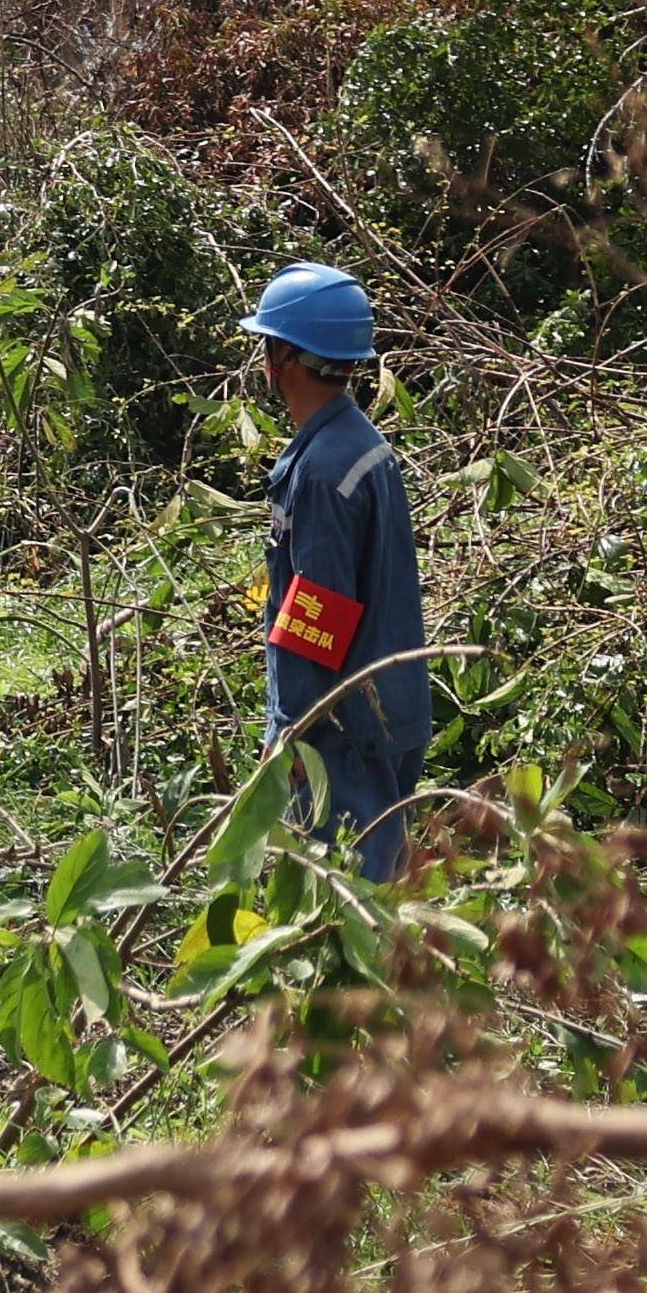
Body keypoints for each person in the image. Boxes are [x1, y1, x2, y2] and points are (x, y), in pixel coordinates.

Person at [244, 262, 427, 879]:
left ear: (285, 358)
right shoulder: (359, 444)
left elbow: (317, 614)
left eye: (267, 345)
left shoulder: (324, 471)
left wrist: (291, 732)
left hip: (344, 729)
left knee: (344, 907)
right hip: (388, 709)